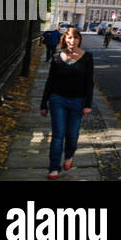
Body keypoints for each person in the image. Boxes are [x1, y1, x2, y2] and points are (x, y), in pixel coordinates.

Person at [39, 26, 93, 179]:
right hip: (58, 100)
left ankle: (69, 155)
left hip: (77, 101)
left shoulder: (87, 57)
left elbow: (89, 82)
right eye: (69, 37)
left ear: (79, 40)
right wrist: (44, 104)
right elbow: (50, 81)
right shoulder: (57, 57)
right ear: (64, 39)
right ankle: (54, 167)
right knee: (58, 135)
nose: (72, 40)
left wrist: (87, 104)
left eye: (76, 38)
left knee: (72, 135)